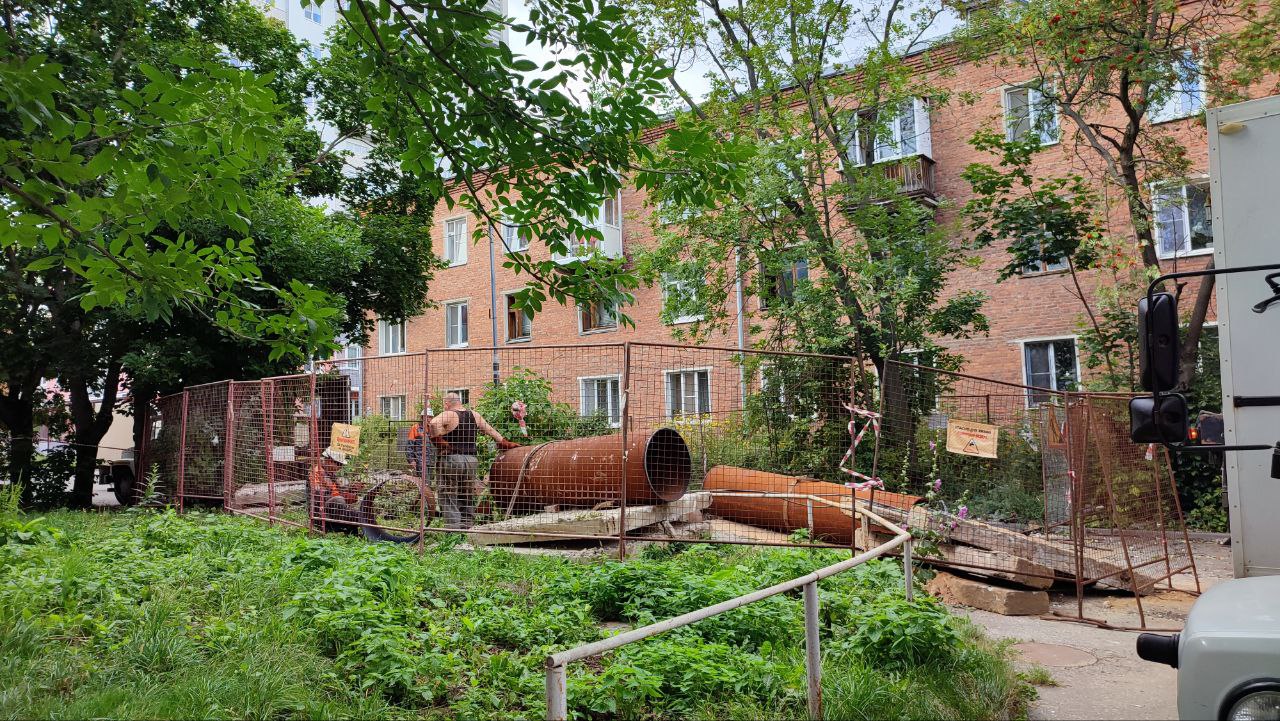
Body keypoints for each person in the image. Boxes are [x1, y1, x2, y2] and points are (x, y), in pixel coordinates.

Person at [429, 392, 519, 529]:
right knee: (467, 494)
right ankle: (467, 526)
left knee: (448, 495)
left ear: (447, 404)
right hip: (471, 461)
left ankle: (453, 530)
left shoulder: (449, 414)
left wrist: (440, 442)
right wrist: (504, 443)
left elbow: (433, 423)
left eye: (444, 404)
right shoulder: (475, 415)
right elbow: (491, 431)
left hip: (452, 460)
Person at [311, 447, 358, 530]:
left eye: (341, 465)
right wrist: (342, 496)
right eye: (339, 464)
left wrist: (350, 490)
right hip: (321, 513)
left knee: (355, 511)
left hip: (333, 509)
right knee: (339, 500)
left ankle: (353, 524)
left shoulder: (330, 474)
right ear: (329, 460)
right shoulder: (318, 472)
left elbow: (337, 491)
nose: (340, 467)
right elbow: (317, 494)